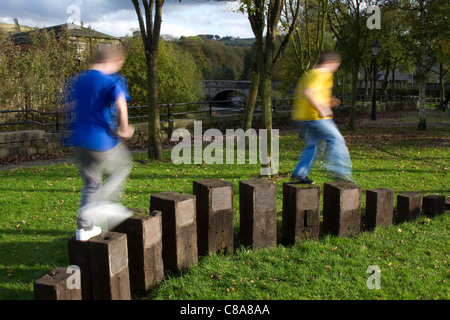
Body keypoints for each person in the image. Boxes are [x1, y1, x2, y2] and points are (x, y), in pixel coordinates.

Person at [66, 45, 135, 241]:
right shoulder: (111, 81)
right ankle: (102, 205)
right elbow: (121, 107)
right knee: (122, 166)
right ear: (113, 61)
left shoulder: (79, 80)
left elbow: (69, 107)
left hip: (79, 140)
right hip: (101, 140)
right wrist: (124, 129)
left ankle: (84, 229)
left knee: (91, 183)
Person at [290, 50, 352, 184]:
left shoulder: (310, 74)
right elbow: (309, 92)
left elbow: (311, 93)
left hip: (303, 117)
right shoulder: (322, 73)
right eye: (336, 66)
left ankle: (299, 173)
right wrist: (323, 109)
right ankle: (339, 170)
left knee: (313, 145)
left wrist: (328, 102)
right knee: (336, 139)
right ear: (329, 63)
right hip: (316, 117)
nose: (335, 69)